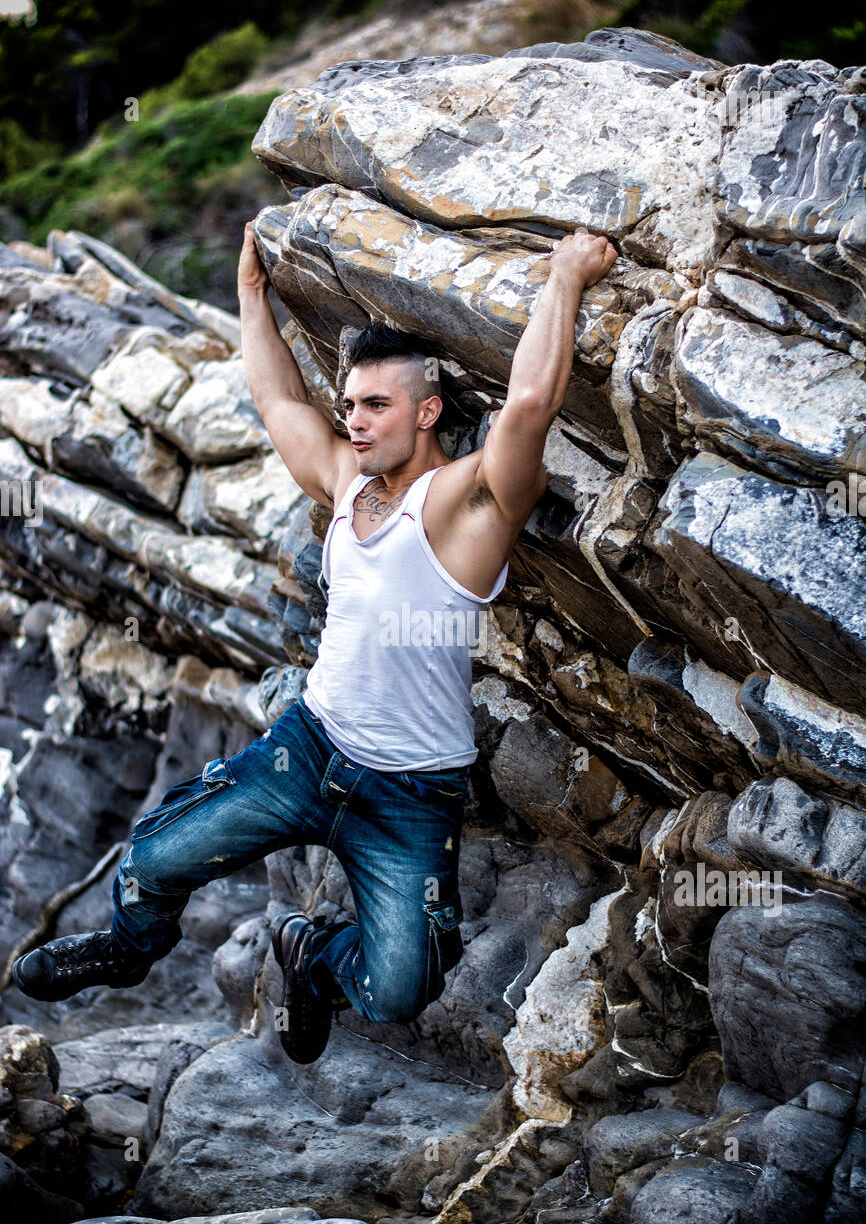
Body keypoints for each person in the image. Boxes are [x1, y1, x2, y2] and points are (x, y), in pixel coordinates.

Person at [12, 222, 617, 1064]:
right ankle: (129, 949)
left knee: (401, 989)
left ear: (428, 410)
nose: (356, 423)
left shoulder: (466, 507)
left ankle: (314, 954)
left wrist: (565, 275)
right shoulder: (344, 480)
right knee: (152, 861)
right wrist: (253, 296)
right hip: (309, 748)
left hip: (409, 794)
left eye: (376, 406)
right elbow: (278, 403)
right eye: (350, 406)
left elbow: (528, 406)